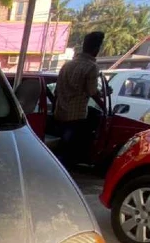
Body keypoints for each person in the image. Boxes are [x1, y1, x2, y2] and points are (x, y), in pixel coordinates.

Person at [54, 31, 106, 166]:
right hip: (76, 115)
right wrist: (104, 107)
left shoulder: (67, 65)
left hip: (60, 112)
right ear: (96, 49)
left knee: (62, 146)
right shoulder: (91, 67)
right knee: (69, 148)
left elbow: (56, 90)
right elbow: (92, 91)